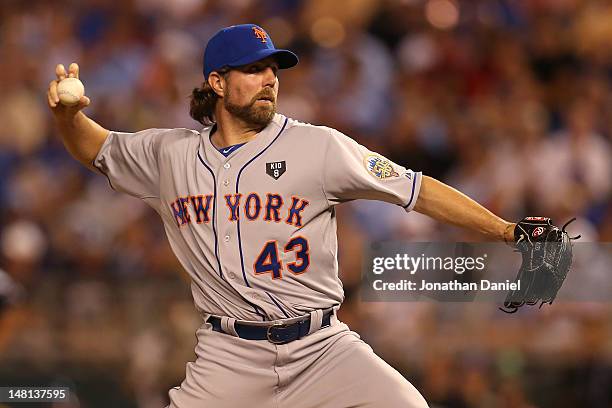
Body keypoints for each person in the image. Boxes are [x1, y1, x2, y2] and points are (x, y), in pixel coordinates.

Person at [48, 24, 516, 408]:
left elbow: (417, 190)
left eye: (273, 68)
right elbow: (97, 148)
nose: (269, 78)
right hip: (229, 355)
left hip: (322, 347)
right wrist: (68, 117)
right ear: (217, 83)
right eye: (253, 70)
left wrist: (505, 229)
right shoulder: (169, 155)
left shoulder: (320, 147)